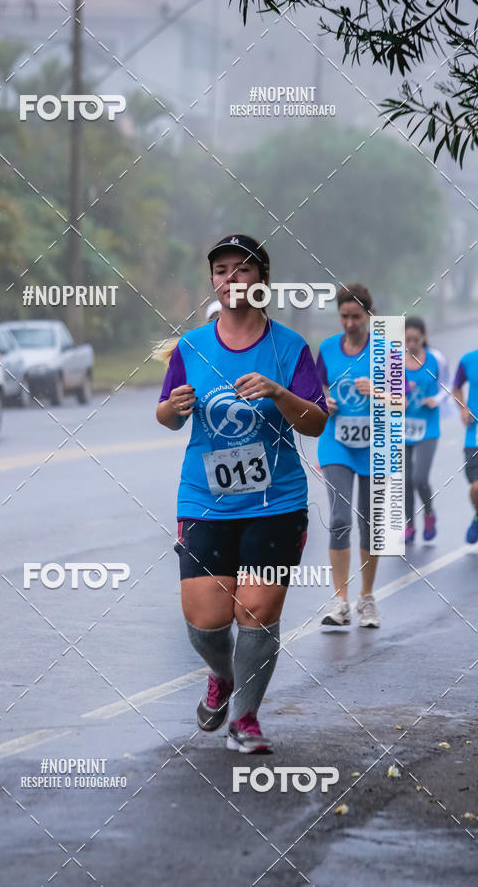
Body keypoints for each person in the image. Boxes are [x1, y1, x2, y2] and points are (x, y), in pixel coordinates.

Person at [156, 234, 328, 753]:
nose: (231, 279)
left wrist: (278, 392)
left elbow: (316, 422)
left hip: (276, 501)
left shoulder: (289, 347)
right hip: (204, 498)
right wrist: (174, 407)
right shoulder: (191, 347)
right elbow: (166, 416)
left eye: (243, 269)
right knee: (206, 622)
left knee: (256, 611)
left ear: (262, 280)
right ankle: (222, 674)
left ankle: (244, 719)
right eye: (221, 270)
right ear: (213, 281)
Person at [315, 284, 381, 628]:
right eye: (344, 316)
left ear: (368, 315)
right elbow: (315, 389)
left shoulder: (385, 350)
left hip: (376, 444)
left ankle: (366, 598)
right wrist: (322, 401)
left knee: (371, 522)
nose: (350, 323)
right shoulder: (327, 348)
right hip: (336, 442)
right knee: (340, 518)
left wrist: (379, 392)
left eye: (356, 316)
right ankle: (340, 600)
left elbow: (403, 402)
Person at [404, 317, 448, 543]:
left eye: (416, 339)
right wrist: (399, 396)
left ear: (423, 337)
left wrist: (435, 399)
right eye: (407, 340)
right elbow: (385, 391)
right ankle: (409, 525)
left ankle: (429, 514)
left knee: (419, 478)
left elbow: (447, 385)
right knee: (405, 481)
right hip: (402, 429)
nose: (412, 344)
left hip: (428, 428)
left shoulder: (435, 359)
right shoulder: (395, 362)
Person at [453, 348, 478, 543]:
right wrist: (463, 408)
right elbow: (456, 387)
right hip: (474, 436)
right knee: (476, 487)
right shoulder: (468, 360)